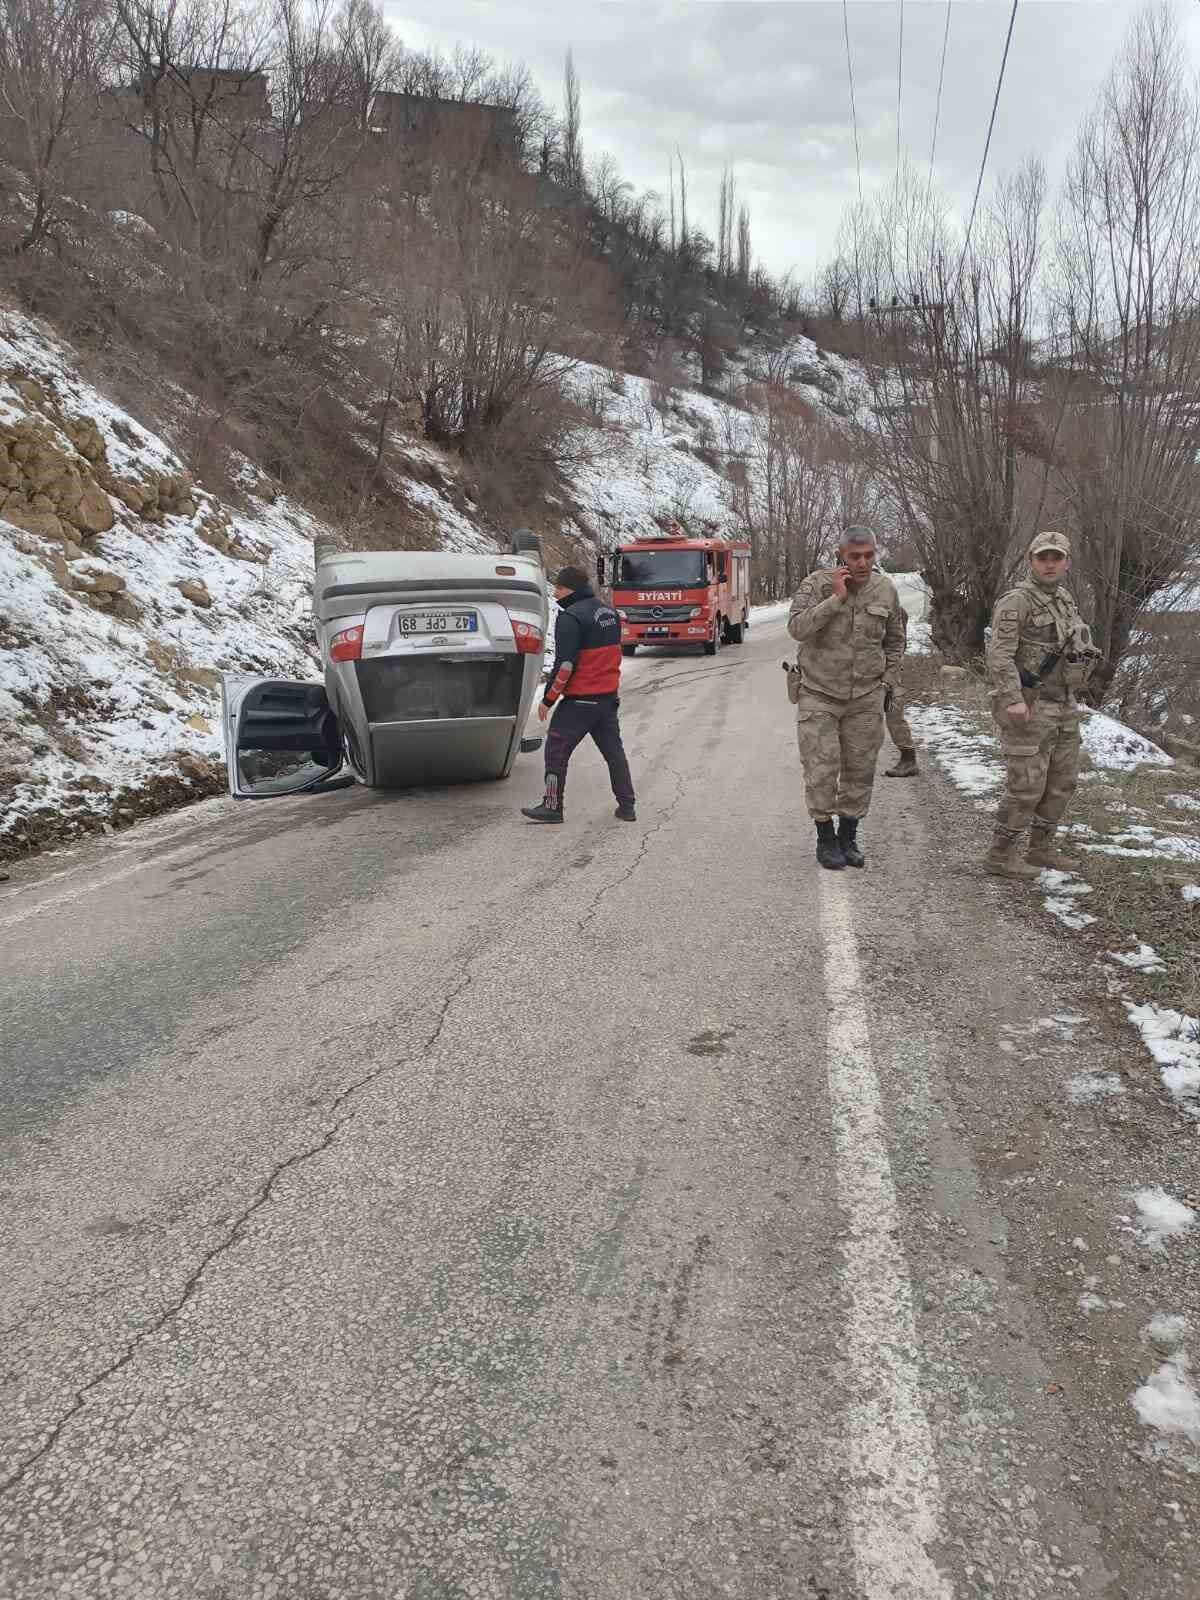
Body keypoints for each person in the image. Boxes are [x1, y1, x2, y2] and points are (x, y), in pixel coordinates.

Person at [787, 526, 905, 870]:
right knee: (821, 770)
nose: (863, 562)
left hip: (866, 695)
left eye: (869, 555)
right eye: (855, 556)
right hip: (819, 693)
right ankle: (825, 837)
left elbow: (896, 640)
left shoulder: (885, 590)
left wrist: (887, 680)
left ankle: (848, 836)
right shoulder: (817, 585)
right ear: (841, 555)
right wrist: (835, 600)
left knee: (860, 770)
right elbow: (797, 629)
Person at [984, 531, 1100, 879]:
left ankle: (1040, 849)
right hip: (1030, 705)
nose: (1050, 564)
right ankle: (999, 855)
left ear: (1067, 562)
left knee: (1062, 782)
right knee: (1026, 785)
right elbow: (999, 655)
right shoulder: (1016, 602)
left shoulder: (1064, 599)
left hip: (1064, 703)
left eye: (1056, 558)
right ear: (1031, 561)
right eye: (1042, 558)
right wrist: (1013, 699)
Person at [521, 565, 637, 825]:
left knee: (554, 752)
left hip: (580, 701)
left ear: (571, 589)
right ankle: (627, 806)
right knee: (614, 754)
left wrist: (548, 699)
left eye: (559, 588)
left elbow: (565, 666)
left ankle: (552, 807)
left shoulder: (570, 617)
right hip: (607, 699)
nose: (556, 593)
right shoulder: (609, 612)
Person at [883, 606, 918, 778]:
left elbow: (898, 644)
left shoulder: (895, 610)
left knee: (894, 713)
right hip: (860, 671)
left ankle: (908, 759)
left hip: (888, 669)